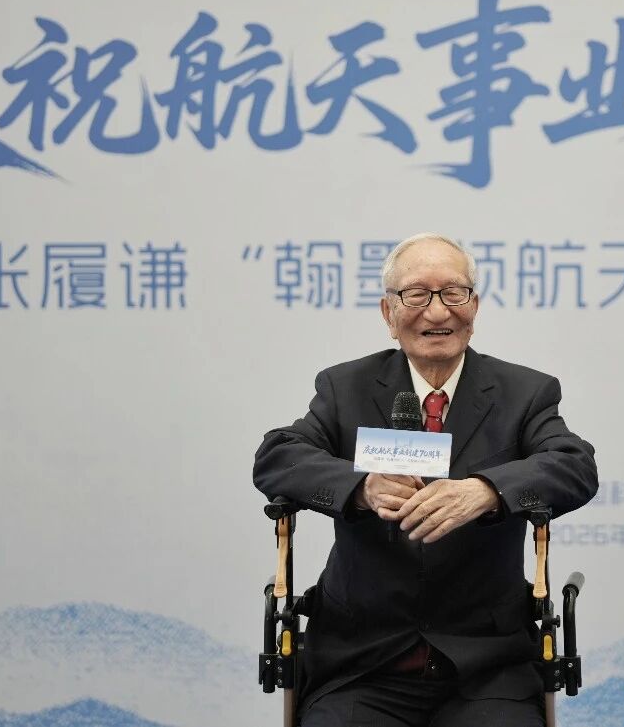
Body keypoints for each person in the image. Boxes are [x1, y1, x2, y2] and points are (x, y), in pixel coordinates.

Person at [253, 232, 598, 727]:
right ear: (388, 312)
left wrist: (487, 491)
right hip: (362, 666)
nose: (437, 312)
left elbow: (574, 464)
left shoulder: (525, 392)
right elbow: (278, 456)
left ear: (474, 305)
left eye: (453, 293)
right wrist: (361, 487)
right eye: (416, 294)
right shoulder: (345, 387)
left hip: (487, 670)